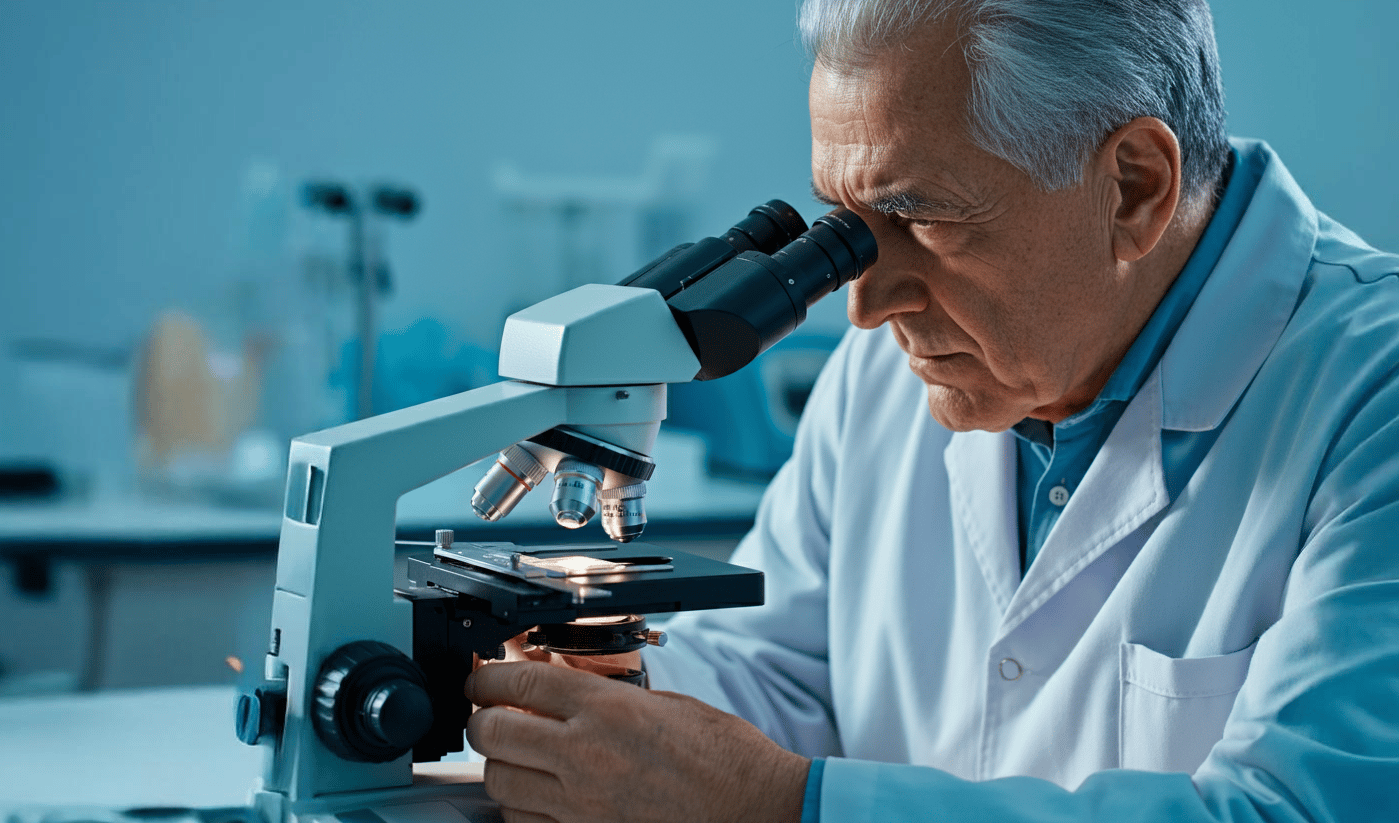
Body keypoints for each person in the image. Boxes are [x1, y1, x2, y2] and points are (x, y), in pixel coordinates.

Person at [464, 1, 1399, 820]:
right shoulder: (894, 366)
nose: (866, 307)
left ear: (1133, 187)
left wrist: (774, 805)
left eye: (922, 218)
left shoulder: (1371, 396)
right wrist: (603, 692)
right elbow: (786, 672)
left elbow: (1300, 808)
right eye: (850, 226)